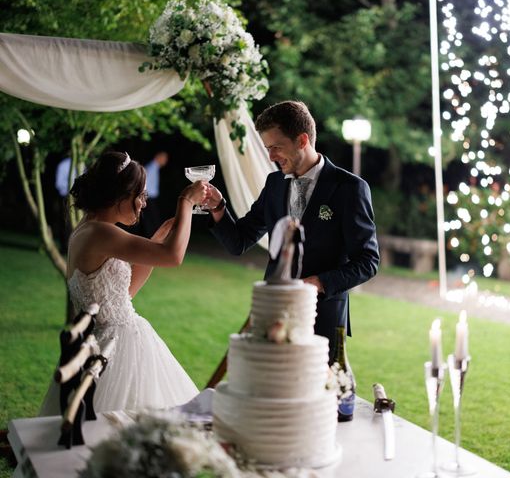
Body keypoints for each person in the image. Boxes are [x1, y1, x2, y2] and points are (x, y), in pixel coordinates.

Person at [205, 101, 379, 362]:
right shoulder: (274, 184)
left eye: (276, 147)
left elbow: (368, 262)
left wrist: (318, 283)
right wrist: (218, 207)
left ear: (302, 140)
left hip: (323, 320)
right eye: (267, 149)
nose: (271, 157)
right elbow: (238, 241)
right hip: (273, 314)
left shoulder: (349, 188)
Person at [39, 151, 210, 415]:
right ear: (120, 194)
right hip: (116, 349)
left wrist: (160, 236)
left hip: (105, 339)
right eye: (139, 195)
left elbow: (124, 294)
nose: (143, 203)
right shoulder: (101, 233)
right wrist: (186, 201)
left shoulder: (88, 229)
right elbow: (173, 256)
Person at [140, 150, 169, 237]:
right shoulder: (151, 167)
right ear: (158, 156)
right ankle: (153, 237)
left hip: (150, 198)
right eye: (164, 158)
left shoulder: (154, 167)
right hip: (148, 198)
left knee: (150, 219)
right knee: (151, 220)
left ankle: (152, 237)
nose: (165, 161)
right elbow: (143, 182)